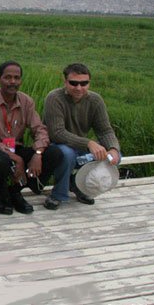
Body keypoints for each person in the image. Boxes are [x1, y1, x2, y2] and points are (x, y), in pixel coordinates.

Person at [0, 61, 64, 215]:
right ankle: (3, 192)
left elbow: (40, 130)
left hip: (15, 147)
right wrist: (18, 159)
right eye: (8, 77)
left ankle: (15, 191)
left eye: (16, 78)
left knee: (54, 153)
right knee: (1, 160)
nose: (12, 82)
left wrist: (37, 154)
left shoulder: (26, 101)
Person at [43, 63, 121, 210]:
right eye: (73, 83)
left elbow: (105, 130)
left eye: (84, 83)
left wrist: (113, 149)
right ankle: (58, 194)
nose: (79, 88)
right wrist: (89, 143)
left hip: (80, 146)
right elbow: (57, 133)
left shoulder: (95, 100)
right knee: (66, 154)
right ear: (65, 82)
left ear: (89, 83)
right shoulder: (54, 98)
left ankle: (82, 186)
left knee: (114, 156)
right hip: (56, 146)